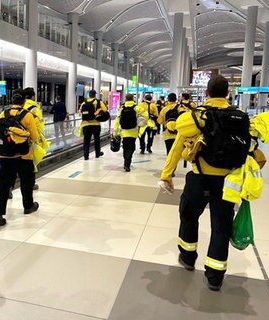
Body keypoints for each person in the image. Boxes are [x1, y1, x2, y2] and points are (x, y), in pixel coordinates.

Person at [160, 75, 245, 291]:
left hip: (199, 177)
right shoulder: (240, 118)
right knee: (221, 226)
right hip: (227, 181)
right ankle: (215, 276)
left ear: (206, 93)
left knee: (188, 215)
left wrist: (167, 174)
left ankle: (188, 257)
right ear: (228, 93)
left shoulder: (195, 117)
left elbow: (178, 145)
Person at [0, 89, 40, 227]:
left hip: (4, 154)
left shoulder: (3, 113)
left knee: (3, 184)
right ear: (24, 102)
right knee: (26, 181)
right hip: (23, 155)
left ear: (12, 101)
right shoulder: (28, 115)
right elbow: (35, 137)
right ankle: (28, 206)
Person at [114, 94, 143, 171]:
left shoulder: (121, 108)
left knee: (125, 146)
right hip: (133, 132)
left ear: (126, 99)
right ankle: (127, 162)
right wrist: (142, 124)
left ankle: (126, 161)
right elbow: (145, 116)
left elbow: (117, 120)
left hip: (124, 132)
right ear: (133, 98)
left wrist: (115, 131)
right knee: (131, 147)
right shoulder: (137, 108)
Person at [79, 90, 107, 160]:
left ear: (89, 95)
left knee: (86, 140)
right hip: (95, 123)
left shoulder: (84, 103)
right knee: (96, 139)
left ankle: (86, 155)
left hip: (85, 124)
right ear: (95, 95)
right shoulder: (98, 101)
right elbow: (105, 110)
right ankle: (97, 154)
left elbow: (80, 112)